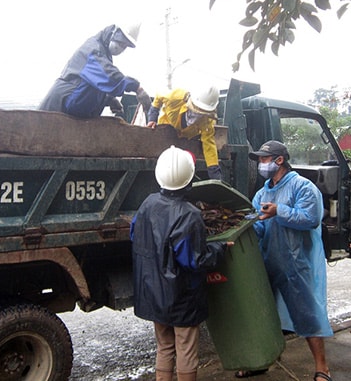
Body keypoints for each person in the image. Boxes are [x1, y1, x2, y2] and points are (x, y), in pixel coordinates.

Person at [130, 145, 232, 381]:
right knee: (185, 348)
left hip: (154, 292)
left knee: (164, 347)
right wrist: (219, 249)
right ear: (189, 179)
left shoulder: (147, 204)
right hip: (182, 297)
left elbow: (136, 237)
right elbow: (195, 260)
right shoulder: (189, 214)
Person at [241, 140, 333, 381]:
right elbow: (258, 226)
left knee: (307, 313)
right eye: (260, 160)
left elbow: (310, 218)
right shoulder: (262, 193)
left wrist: (279, 211)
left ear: (279, 160)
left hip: (296, 263)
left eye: (263, 159)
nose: (261, 164)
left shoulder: (303, 187)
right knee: (262, 314)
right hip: (268, 260)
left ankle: (322, 368)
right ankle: (260, 360)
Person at [39, 24, 151, 118]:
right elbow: (107, 75)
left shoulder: (104, 55)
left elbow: (94, 84)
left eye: (126, 46)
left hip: (69, 116)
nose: (122, 48)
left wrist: (108, 99)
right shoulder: (93, 50)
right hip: (58, 109)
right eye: (121, 43)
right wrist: (137, 88)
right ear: (113, 33)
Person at [146, 86, 222, 180]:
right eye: (198, 109)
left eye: (204, 112)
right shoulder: (175, 96)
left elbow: (208, 143)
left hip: (185, 141)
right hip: (165, 132)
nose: (199, 114)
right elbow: (158, 96)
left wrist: (214, 170)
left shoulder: (207, 120)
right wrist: (152, 117)